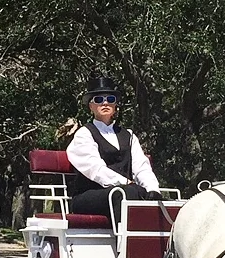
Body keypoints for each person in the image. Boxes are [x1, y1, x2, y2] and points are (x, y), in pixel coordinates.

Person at [65, 75, 163, 218]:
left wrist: (153, 189)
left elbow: (141, 167)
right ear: (91, 106)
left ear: (115, 105)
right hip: (89, 195)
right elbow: (96, 170)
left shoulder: (129, 135)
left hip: (125, 192)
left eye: (110, 99)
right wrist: (125, 183)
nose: (105, 103)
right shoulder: (84, 134)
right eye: (98, 100)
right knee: (125, 194)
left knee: (150, 197)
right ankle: (124, 240)